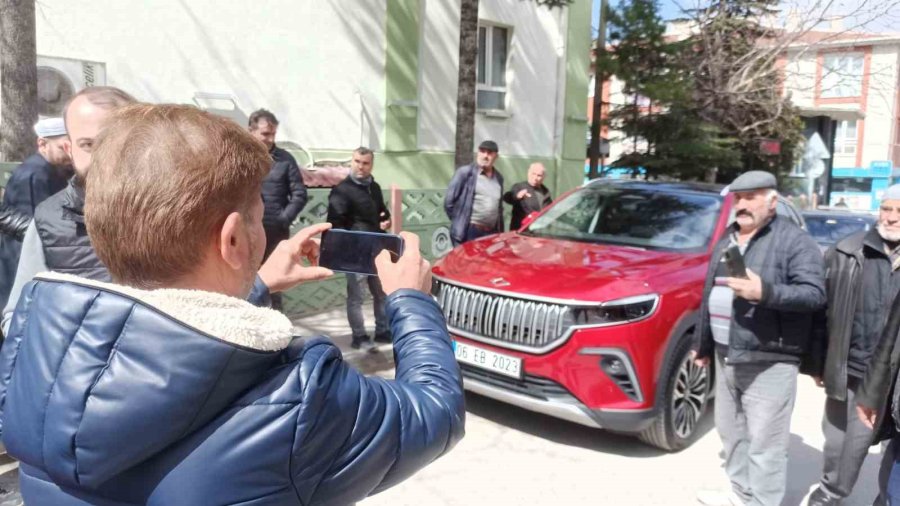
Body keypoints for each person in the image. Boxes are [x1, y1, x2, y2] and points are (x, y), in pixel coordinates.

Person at [0, 104, 465, 505]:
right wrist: (410, 301)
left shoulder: (34, 356)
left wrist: (256, 283)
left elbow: (162, 345)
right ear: (234, 238)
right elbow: (435, 412)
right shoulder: (300, 396)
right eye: (258, 220)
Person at [692, 170, 826, 506]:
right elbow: (712, 293)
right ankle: (740, 493)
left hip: (769, 360)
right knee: (731, 434)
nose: (742, 204)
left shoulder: (795, 241)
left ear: (772, 202)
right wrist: (703, 343)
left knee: (766, 445)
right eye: (738, 198)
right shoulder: (729, 239)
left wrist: (764, 292)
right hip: (726, 355)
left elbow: (813, 295)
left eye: (751, 197)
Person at [0, 87, 137, 336]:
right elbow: (18, 317)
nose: (102, 157)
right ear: (69, 148)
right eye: (88, 144)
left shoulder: (180, 213)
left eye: (115, 142)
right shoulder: (46, 214)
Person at [804, 185, 900, 506]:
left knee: (858, 444)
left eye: (899, 211)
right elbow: (822, 312)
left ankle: (830, 495)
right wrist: (818, 363)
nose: (892, 217)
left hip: (886, 379)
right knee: (834, 441)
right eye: (887, 209)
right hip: (847, 368)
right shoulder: (847, 251)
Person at [0, 118, 73, 309]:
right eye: (61, 147)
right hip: (22, 260)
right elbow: (31, 226)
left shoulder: (54, 170)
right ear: (42, 144)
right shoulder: (33, 174)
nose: (69, 153)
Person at [326, 147, 392, 350]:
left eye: (365, 163)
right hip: (355, 253)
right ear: (351, 162)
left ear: (371, 165)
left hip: (376, 249)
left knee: (381, 293)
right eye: (357, 161)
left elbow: (382, 212)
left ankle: (382, 331)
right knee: (356, 297)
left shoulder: (375, 188)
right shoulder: (341, 190)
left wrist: (385, 220)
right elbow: (335, 224)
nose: (361, 166)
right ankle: (359, 336)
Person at [248, 109, 308, 312]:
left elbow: (299, 193)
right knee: (245, 281)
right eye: (265, 134)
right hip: (246, 231)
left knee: (274, 283)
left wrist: (284, 218)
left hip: (275, 232)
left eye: (273, 134)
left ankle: (277, 331)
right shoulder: (242, 156)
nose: (270, 138)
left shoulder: (284, 159)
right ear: (252, 131)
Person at [444, 140, 504, 246]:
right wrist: (459, 222)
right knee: (466, 262)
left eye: (489, 153)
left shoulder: (498, 178)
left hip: (491, 233)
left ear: (496, 156)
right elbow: (449, 203)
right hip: (469, 231)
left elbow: (498, 208)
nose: (485, 156)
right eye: (482, 151)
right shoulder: (465, 173)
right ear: (478, 153)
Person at [503, 162, 552, 230]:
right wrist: (517, 196)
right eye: (533, 174)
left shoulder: (545, 191)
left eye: (539, 175)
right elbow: (507, 197)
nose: (535, 178)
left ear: (543, 177)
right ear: (528, 173)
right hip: (521, 231)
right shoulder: (519, 187)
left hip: (539, 231)